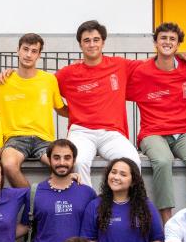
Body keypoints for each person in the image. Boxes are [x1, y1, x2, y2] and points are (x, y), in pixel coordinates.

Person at [128, 22, 186, 221]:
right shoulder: (140, 71)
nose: (167, 42)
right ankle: (167, 220)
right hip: (152, 132)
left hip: (184, 131)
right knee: (163, 161)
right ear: (155, 42)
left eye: (172, 39)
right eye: (163, 38)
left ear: (179, 45)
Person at [55, 19, 142, 185]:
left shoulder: (119, 65)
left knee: (133, 162)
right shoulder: (68, 73)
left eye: (96, 40)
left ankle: (126, 207)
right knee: (78, 163)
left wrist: (176, 58)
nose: (91, 44)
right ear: (80, 45)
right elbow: (42, 86)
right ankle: (89, 208)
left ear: (103, 43)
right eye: (86, 41)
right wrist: (65, 110)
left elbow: (153, 66)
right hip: (81, 132)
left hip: (112, 132)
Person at [0, 32, 65, 188]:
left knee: (63, 165)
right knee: (9, 165)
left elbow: (61, 108)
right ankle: (33, 203)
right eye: (25, 49)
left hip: (44, 139)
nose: (29, 54)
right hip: (14, 138)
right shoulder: (3, 81)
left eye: (34, 51)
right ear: (18, 50)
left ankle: (53, 206)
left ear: (39, 55)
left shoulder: (49, 80)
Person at [27, 139, 98, 242]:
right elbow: (24, 226)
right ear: (49, 159)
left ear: (74, 160)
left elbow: (95, 233)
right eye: (56, 157)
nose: (62, 162)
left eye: (67, 157)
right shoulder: (35, 192)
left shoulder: (87, 193)